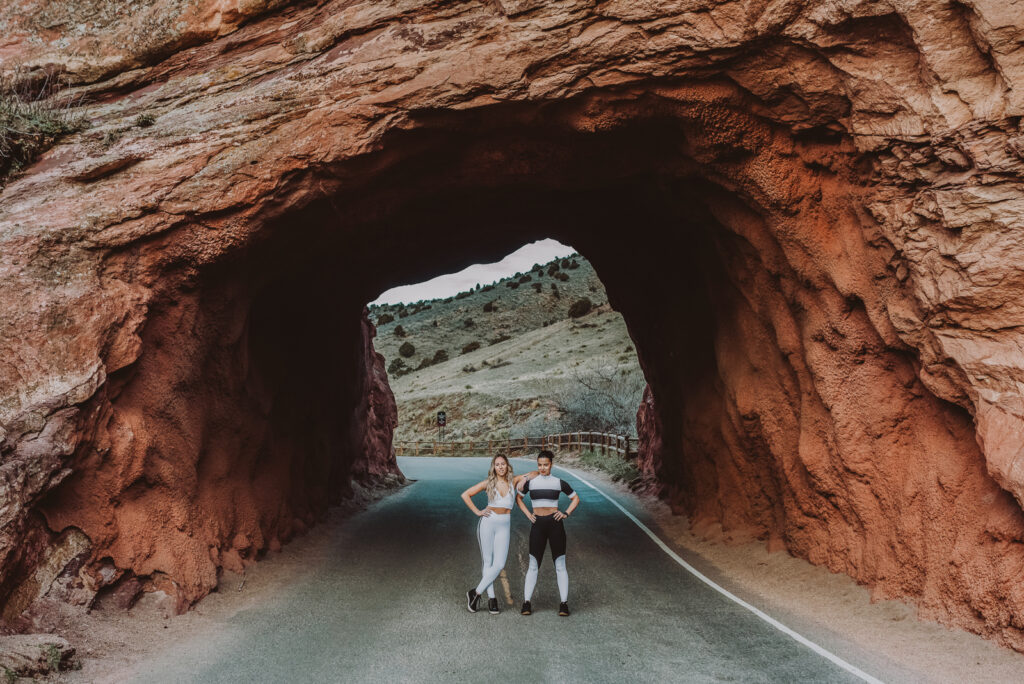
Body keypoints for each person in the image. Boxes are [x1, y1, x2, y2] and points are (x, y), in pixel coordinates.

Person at [516, 449, 580, 616]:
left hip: (555, 524)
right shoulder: (531, 483)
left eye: (546, 465)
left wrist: (566, 513)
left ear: (551, 465)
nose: (542, 468)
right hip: (537, 525)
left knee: (560, 564)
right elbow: (518, 498)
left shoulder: (559, 483)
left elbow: (575, 498)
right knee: (533, 564)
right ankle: (526, 603)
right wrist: (528, 514)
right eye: (540, 465)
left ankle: (564, 604)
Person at [460, 454, 525, 614]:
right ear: (493, 467)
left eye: (503, 464)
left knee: (500, 564)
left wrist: (525, 479)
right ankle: (492, 599)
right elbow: (465, 495)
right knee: (488, 562)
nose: (501, 467)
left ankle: (475, 593)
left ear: (507, 466)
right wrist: (477, 512)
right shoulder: (488, 483)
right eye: (497, 464)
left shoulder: (513, 481)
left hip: (504, 524)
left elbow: (536, 474)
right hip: (488, 523)